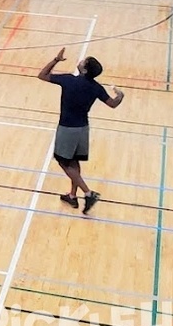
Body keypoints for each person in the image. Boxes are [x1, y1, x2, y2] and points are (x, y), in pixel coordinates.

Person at [37, 47, 124, 214]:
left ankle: (88, 193)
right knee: (74, 162)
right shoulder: (96, 87)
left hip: (67, 128)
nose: (81, 61)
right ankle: (72, 195)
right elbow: (113, 104)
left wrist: (56, 59)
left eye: (83, 61)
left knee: (63, 162)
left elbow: (42, 75)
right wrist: (120, 96)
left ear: (84, 69)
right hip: (83, 128)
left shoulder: (70, 80)